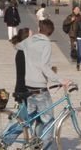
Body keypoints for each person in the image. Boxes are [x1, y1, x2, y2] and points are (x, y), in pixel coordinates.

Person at [15, 20, 71, 150]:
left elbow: (17, 46)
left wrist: (31, 49)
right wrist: (60, 80)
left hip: (28, 86)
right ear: (50, 32)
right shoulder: (46, 44)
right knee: (49, 121)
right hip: (39, 88)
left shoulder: (29, 41)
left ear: (39, 29)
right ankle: (44, 148)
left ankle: (5, 140)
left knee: (27, 119)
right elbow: (44, 66)